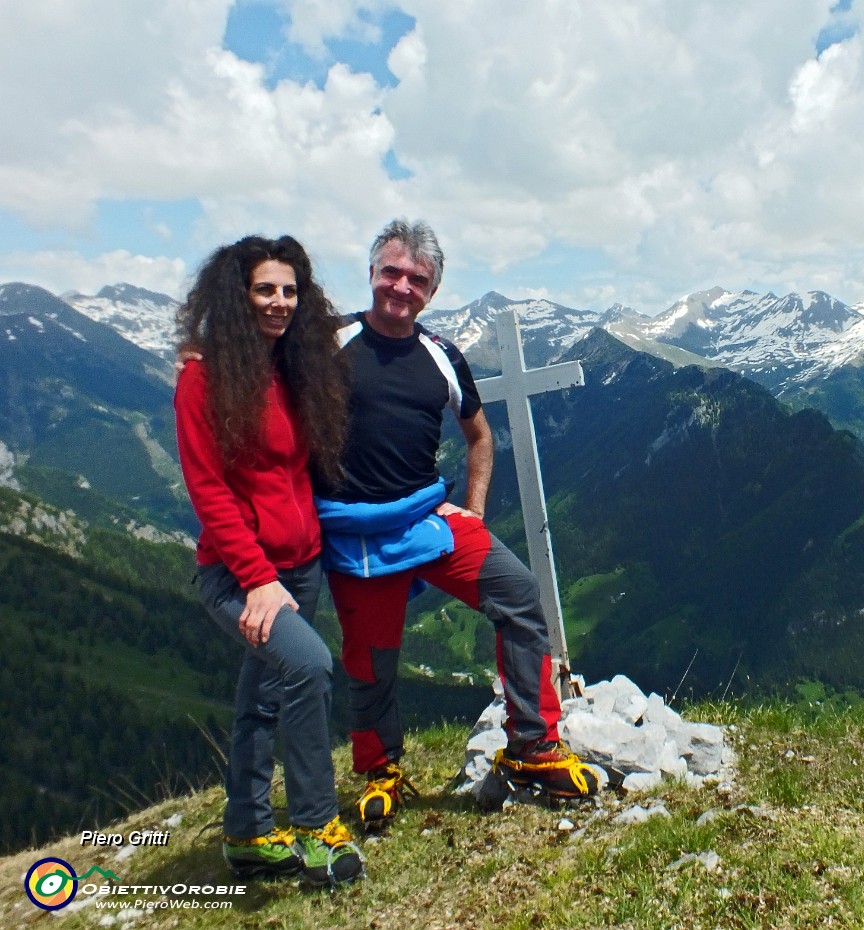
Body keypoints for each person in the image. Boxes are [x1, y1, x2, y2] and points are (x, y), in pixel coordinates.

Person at [315, 218, 599, 830]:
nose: (401, 286)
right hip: (354, 531)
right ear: (370, 274)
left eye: (417, 279)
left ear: (432, 290)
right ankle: (381, 771)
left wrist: (470, 509)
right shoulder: (325, 344)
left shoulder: (441, 355)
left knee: (521, 597)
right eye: (391, 272)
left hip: (427, 518)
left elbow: (479, 434)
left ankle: (532, 745)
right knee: (371, 658)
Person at [173, 235, 363, 886]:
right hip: (238, 573)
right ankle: (315, 828)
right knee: (309, 667)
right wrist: (256, 580)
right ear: (237, 295)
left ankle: (247, 834)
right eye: (264, 289)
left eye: (289, 290)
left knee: (262, 698)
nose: (279, 302)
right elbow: (209, 491)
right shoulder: (204, 379)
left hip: (302, 562)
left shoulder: (292, 368)